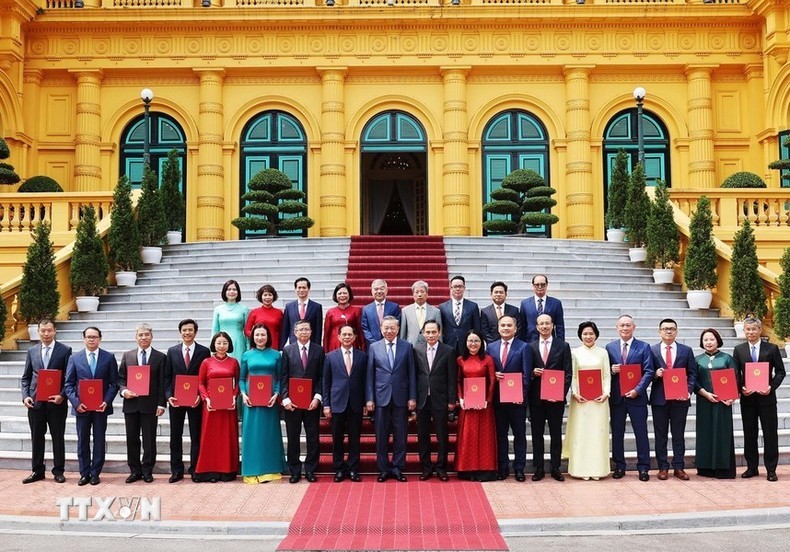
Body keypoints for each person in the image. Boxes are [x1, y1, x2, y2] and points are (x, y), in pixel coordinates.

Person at [733, 317, 786, 482]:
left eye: (753, 329)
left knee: (770, 434)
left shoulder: (771, 348)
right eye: (747, 330)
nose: (750, 332)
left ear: (760, 330)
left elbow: (780, 372)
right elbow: (736, 374)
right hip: (748, 399)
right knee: (750, 434)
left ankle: (771, 469)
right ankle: (752, 467)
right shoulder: (739, 350)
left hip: (767, 398)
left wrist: (771, 386)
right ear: (744, 331)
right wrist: (741, 388)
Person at [64, 326, 118, 486]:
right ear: (84, 339)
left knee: (99, 440)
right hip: (82, 407)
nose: (91, 339)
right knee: (83, 441)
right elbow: (68, 384)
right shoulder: (75, 358)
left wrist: (106, 401)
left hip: (101, 407)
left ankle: (95, 473)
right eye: (88, 337)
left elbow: (114, 383)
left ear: (100, 339)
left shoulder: (108, 357)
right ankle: (84, 473)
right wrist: (76, 402)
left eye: (94, 337)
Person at [20, 319, 72, 484]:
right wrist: (25, 396)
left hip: (56, 403)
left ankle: (58, 471)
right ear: (38, 331)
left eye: (49, 330)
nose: (46, 334)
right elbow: (26, 377)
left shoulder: (65, 350)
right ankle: (37, 471)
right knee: (36, 437)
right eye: (43, 331)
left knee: (58, 437)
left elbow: (69, 378)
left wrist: (62, 395)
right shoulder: (32, 351)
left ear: (55, 331)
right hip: (36, 403)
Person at [366, 315, 416, 482]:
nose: (389, 331)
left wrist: (412, 397)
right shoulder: (374, 347)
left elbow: (412, 374)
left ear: (398, 329)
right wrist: (370, 398)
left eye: (392, 328)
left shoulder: (407, 347)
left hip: (401, 398)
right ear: (381, 329)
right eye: (386, 328)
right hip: (380, 398)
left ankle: (397, 467)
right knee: (381, 436)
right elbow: (370, 375)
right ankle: (383, 469)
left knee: (400, 435)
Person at [606, 314, 654, 481]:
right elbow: (605, 373)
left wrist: (638, 390)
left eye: (628, 325)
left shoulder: (644, 347)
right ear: (616, 328)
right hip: (617, 398)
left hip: (637, 398)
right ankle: (619, 466)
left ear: (634, 327)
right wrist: (612, 370)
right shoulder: (610, 347)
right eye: (622, 326)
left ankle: (644, 467)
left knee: (641, 433)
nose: (625, 328)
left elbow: (649, 371)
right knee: (617, 433)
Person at [649, 318, 698, 481]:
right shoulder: (652, 350)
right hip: (659, 399)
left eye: (671, 328)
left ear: (676, 331)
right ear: (659, 331)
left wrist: (688, 390)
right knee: (660, 435)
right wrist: (656, 374)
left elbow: (692, 374)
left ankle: (679, 467)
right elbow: (647, 373)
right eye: (665, 329)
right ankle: (663, 467)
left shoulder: (686, 350)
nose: (668, 331)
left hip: (680, 399)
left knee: (678, 434)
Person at [118, 323, 166, 483]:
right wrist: (124, 391)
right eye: (140, 335)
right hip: (131, 404)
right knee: (131, 439)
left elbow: (162, 383)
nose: (143, 337)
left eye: (146, 334)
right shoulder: (128, 355)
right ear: (136, 337)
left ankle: (147, 470)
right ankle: (134, 470)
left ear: (152, 337)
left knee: (149, 440)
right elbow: (121, 379)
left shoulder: (160, 357)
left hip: (150, 405)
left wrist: (161, 404)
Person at [164, 318, 211, 483]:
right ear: (180, 332)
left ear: (195, 332)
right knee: (175, 435)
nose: (187, 333)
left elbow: (205, 377)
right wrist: (169, 395)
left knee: (195, 435)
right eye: (184, 330)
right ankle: (176, 470)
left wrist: (200, 395)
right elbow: (167, 377)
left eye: (190, 330)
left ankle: (195, 469)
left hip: (195, 400)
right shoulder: (172, 351)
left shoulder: (204, 351)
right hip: (176, 400)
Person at [563, 321, 611, 480]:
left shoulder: (603, 352)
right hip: (581, 400)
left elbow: (606, 376)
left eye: (591, 333)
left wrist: (606, 393)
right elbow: (573, 375)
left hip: (599, 401)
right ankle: (581, 469)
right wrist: (575, 393)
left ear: (596, 335)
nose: (588, 336)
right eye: (585, 334)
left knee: (598, 434)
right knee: (581, 434)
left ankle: (598, 469)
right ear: (580, 336)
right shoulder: (574, 352)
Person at [528, 313, 572, 482]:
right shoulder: (530, 347)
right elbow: (526, 372)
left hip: (556, 400)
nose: (544, 326)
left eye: (547, 323)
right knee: (536, 434)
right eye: (541, 324)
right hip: (536, 399)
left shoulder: (563, 346)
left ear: (553, 325)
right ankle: (538, 468)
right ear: (537, 327)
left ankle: (555, 467)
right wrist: (533, 373)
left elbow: (568, 373)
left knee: (555, 433)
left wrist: (560, 394)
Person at [281, 319, 325, 483]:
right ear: (295, 332)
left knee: (313, 437)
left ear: (311, 331)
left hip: (312, 403)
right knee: (293, 437)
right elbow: (283, 376)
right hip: (292, 403)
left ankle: (311, 470)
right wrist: (285, 398)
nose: (304, 332)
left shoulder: (319, 350)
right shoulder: (287, 350)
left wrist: (318, 397)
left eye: (307, 329)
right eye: (301, 330)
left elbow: (322, 376)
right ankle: (295, 470)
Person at [322, 324, 368, 482]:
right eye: (344, 335)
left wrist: (365, 402)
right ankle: (339, 469)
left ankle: (354, 469)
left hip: (356, 403)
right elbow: (326, 383)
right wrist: (326, 405)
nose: (347, 337)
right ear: (339, 337)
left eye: (350, 335)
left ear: (355, 337)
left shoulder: (363, 356)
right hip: (337, 403)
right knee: (337, 439)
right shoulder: (330, 356)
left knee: (355, 438)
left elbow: (366, 381)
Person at [239, 323, 284, 484]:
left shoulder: (276, 355)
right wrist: (243, 394)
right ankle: (252, 470)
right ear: (252, 337)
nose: (260, 338)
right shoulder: (246, 355)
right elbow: (242, 378)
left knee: (269, 434)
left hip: (270, 400)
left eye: (263, 335)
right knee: (253, 435)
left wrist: (277, 394)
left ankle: (270, 469)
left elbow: (279, 378)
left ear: (268, 336)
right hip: (251, 401)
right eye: (257, 335)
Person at [488, 315, 531, 481]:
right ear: (498, 328)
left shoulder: (524, 347)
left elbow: (527, 375)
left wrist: (521, 396)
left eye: (509, 325)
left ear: (515, 328)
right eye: (503, 325)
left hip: (517, 401)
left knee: (520, 436)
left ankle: (519, 468)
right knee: (501, 436)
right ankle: (502, 467)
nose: (505, 328)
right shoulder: (491, 348)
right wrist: (493, 375)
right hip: (498, 401)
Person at [414, 319, 457, 482]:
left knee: (442, 435)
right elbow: (415, 376)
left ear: (439, 333)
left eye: (434, 332)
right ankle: (426, 467)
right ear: (423, 333)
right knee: (422, 435)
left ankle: (441, 467)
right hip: (422, 399)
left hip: (441, 399)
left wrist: (452, 400)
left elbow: (452, 377)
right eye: (428, 332)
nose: (431, 335)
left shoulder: (448, 351)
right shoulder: (417, 350)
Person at [193, 331, 240, 482]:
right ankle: (209, 471)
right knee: (210, 437)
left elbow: (238, 382)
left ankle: (227, 471)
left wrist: (234, 396)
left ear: (229, 345)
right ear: (213, 344)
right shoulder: (207, 362)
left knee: (227, 437)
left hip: (228, 407)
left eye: (225, 343)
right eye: (219, 343)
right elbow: (200, 383)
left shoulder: (233, 362)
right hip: (211, 406)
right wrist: (206, 399)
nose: (221, 346)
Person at [455, 329, 498, 481]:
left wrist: (487, 399)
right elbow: (458, 380)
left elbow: (492, 380)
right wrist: (460, 398)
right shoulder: (461, 360)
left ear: (482, 343)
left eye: (476, 341)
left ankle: (485, 471)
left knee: (484, 438)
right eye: (470, 341)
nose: (473, 344)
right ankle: (467, 470)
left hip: (484, 406)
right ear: (466, 343)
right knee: (469, 436)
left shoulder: (488, 360)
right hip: (468, 406)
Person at [694, 328, 737, 479]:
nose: (708, 342)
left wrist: (732, 397)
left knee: (722, 433)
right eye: (705, 340)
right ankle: (705, 468)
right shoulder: (697, 359)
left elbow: (736, 379)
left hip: (723, 403)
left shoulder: (727, 358)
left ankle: (723, 468)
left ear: (718, 340)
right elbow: (693, 381)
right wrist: (705, 393)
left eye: (711, 339)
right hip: (704, 401)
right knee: (705, 432)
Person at [439, 275, 481, 355]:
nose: (457, 289)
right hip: (448, 344)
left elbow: (477, 327)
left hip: (467, 345)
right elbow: (441, 327)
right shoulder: (443, 307)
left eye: (460, 286)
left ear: (464, 288)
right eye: (455, 286)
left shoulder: (473, 306)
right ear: (450, 288)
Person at [519, 274, 565, 343]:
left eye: (542, 284)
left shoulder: (556, 303)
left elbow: (560, 326)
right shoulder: (525, 303)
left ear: (547, 285)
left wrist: (561, 344)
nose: (539, 287)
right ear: (533, 286)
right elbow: (522, 326)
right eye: (537, 285)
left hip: (549, 342)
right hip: (530, 342)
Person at [212, 279, 250, 362]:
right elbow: (215, 330)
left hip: (238, 343)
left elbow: (247, 331)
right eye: (229, 289)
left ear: (238, 292)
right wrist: (213, 349)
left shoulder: (244, 309)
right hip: (221, 343)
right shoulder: (218, 309)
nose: (232, 292)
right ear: (224, 292)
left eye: (234, 289)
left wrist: (248, 348)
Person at [281, 277, 323, 347]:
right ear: (295, 289)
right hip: (293, 344)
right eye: (299, 287)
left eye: (304, 287)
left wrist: (317, 347)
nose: (301, 290)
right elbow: (285, 328)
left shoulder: (317, 307)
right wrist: (282, 347)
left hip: (311, 344)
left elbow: (318, 329)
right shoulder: (289, 306)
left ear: (309, 289)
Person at [323, 283, 364, 352]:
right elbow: (327, 333)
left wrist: (363, 347)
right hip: (334, 343)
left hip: (351, 342)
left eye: (345, 293)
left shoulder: (356, 311)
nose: (342, 295)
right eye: (339, 293)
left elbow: (360, 331)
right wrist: (325, 350)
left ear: (349, 294)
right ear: (335, 295)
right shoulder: (330, 312)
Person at [361, 279, 401, 349]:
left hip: (390, 344)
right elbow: (365, 329)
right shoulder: (366, 309)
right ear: (372, 291)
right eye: (376, 289)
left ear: (386, 290)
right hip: (372, 346)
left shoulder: (394, 307)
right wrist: (375, 343)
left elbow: (397, 325)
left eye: (382, 289)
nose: (379, 291)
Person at [400, 280, 441, 346]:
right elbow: (403, 333)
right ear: (413, 294)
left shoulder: (435, 311)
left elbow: (439, 333)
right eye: (417, 292)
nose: (419, 294)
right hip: (411, 346)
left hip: (429, 346)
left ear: (427, 294)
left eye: (422, 292)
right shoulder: (405, 311)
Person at [245, 284, 284, 351]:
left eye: (270, 295)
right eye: (265, 295)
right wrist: (257, 337)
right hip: (258, 345)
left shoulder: (279, 312)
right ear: (261, 296)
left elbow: (282, 331)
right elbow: (247, 330)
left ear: (273, 296)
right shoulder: (254, 312)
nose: (267, 297)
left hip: (273, 345)